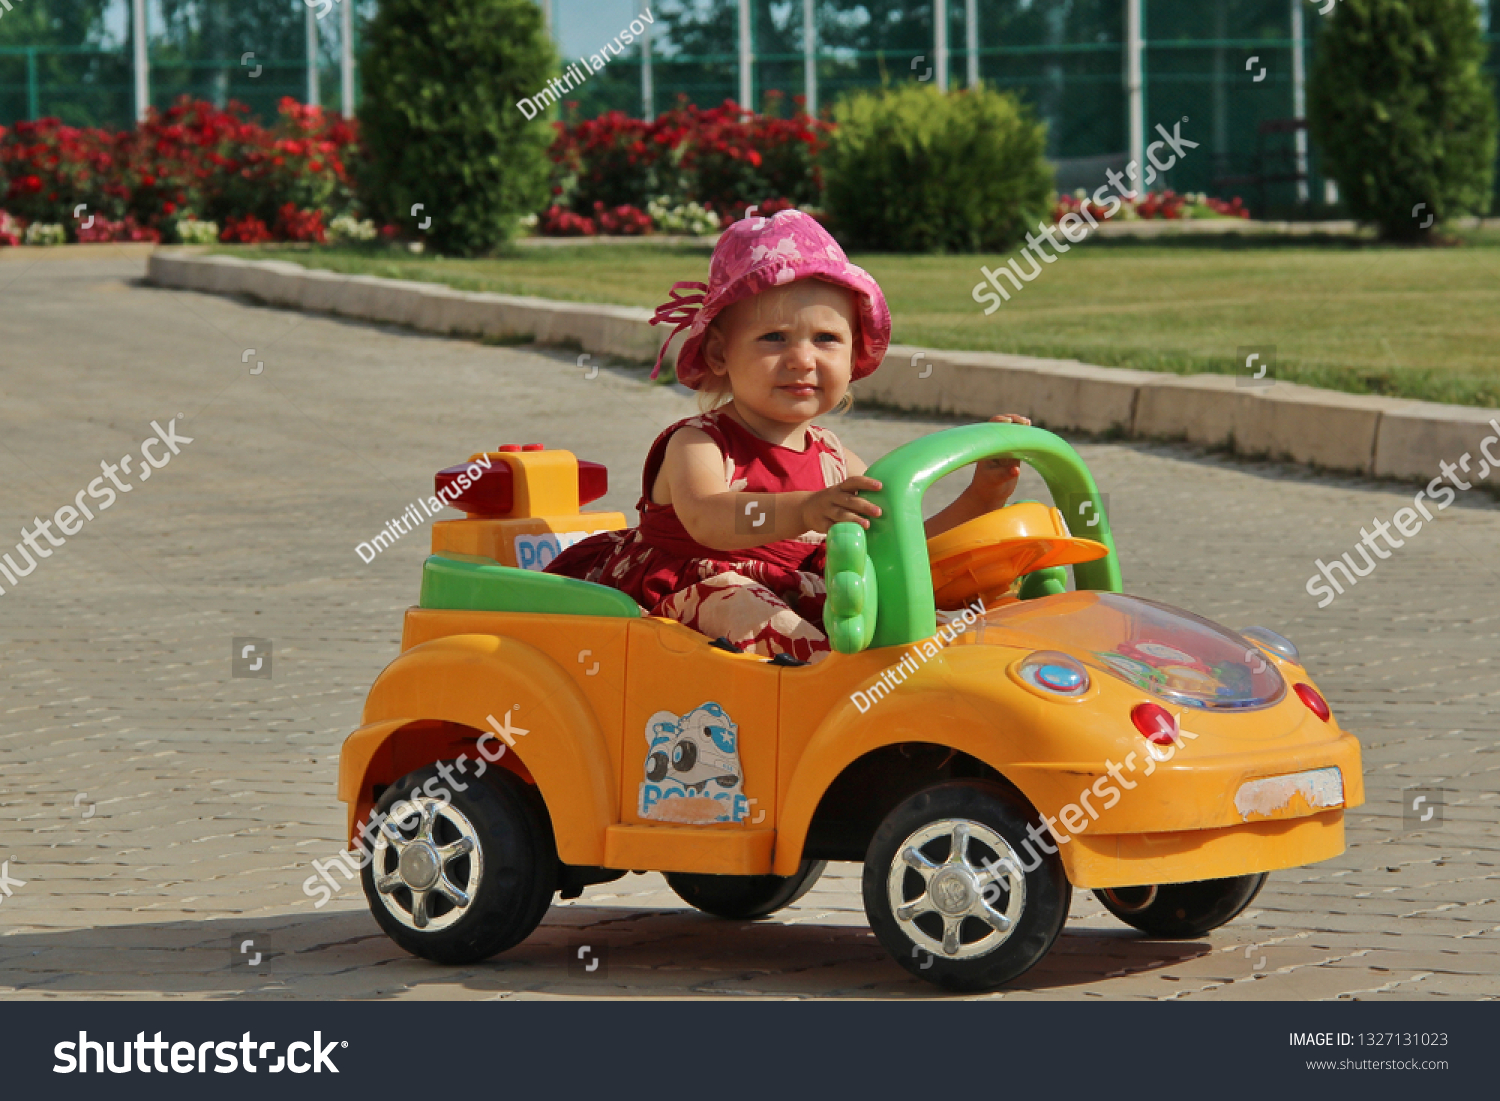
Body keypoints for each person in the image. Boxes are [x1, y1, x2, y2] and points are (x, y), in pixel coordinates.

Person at [544, 208, 1030, 663]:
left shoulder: (837, 461)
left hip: (801, 594)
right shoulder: (700, 443)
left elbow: (898, 548)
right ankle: (831, 694)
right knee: (767, 620)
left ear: (851, 354)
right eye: (774, 338)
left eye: (826, 339)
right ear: (719, 355)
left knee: (928, 625)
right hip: (696, 591)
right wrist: (805, 510)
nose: (802, 359)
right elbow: (708, 519)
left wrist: (982, 496)